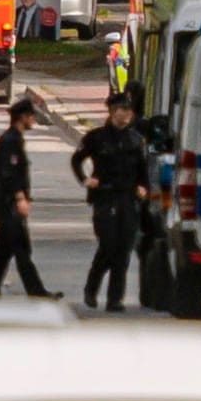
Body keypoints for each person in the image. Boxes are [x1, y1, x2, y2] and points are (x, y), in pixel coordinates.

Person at [72, 93, 150, 310]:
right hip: (104, 197)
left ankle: (115, 299)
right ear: (112, 111)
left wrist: (144, 187)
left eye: (129, 111)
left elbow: (143, 170)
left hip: (128, 198)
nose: (126, 115)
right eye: (122, 110)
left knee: (124, 249)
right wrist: (85, 179)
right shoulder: (96, 138)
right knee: (108, 245)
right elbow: (77, 160)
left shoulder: (135, 140)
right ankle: (91, 288)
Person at [0, 98, 61, 298]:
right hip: (8, 202)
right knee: (21, 248)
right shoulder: (10, 141)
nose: (33, 120)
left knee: (3, 249)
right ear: (23, 117)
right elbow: (9, 174)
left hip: (6, 201)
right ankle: (36, 291)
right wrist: (20, 198)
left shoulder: (14, 138)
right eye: (31, 116)